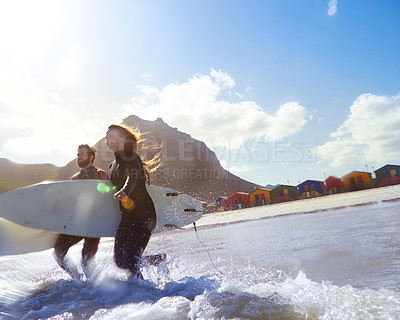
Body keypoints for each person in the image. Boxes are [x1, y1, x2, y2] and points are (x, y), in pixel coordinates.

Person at [105, 124, 160, 279]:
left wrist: (125, 192)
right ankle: (155, 260)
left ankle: (142, 292)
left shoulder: (132, 157)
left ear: (123, 139)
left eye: (112, 137)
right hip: (126, 218)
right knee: (120, 261)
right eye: (107, 137)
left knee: (130, 260)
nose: (108, 140)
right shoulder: (111, 165)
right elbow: (112, 186)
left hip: (144, 216)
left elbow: (132, 177)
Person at [53, 144, 108, 279]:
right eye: (78, 153)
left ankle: (98, 285)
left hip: (94, 225)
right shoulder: (75, 178)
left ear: (91, 157)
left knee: (86, 260)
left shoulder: (99, 174)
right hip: (78, 223)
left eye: (82, 153)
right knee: (58, 251)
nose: (79, 156)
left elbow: (106, 196)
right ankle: (77, 279)